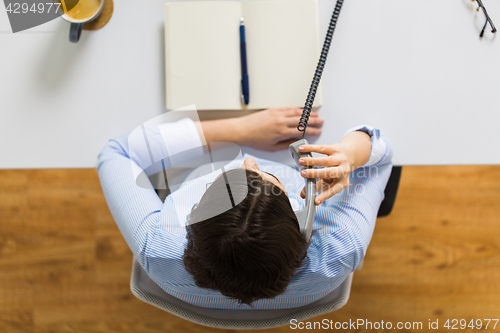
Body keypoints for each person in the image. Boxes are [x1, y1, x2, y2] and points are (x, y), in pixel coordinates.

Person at [97, 107, 393, 310]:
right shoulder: (341, 249)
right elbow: (382, 154)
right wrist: (348, 155)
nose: (249, 160)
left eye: (230, 176)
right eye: (270, 179)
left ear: (194, 219)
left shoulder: (158, 249)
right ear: (302, 223)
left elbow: (117, 151)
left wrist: (240, 129)